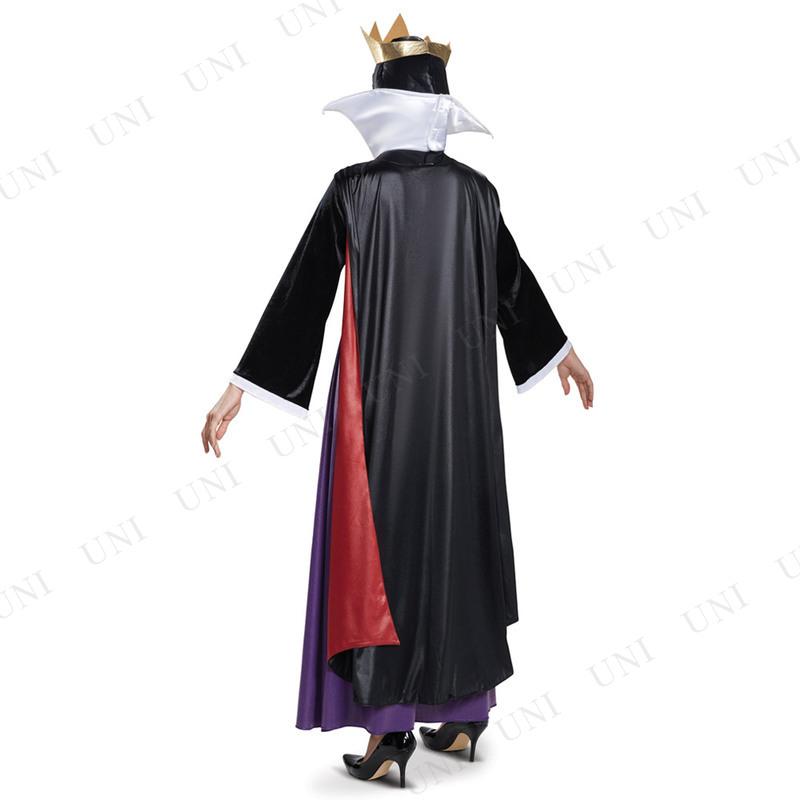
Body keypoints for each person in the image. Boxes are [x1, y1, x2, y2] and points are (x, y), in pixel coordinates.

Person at [201, 14, 593, 788]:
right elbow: (514, 289)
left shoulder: (356, 189)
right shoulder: (477, 194)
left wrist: (239, 386)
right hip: (462, 412)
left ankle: (388, 735)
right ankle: (465, 714)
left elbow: (305, 292)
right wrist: (562, 351)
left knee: (382, 547)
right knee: (457, 536)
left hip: (378, 409)